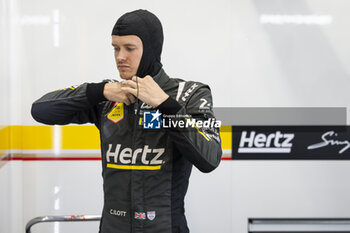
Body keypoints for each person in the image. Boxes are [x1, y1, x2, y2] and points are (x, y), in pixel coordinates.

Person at [31, 9, 222, 233]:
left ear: (150, 50)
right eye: (115, 48)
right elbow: (41, 110)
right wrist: (98, 91)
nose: (120, 56)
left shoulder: (190, 94)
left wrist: (165, 105)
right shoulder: (109, 96)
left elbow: (209, 158)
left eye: (129, 48)